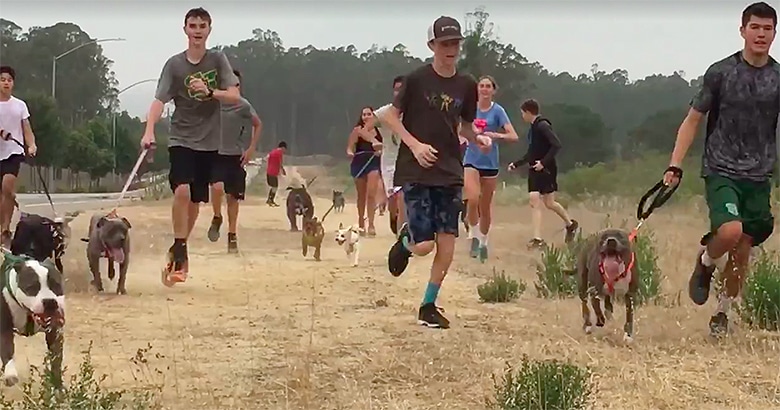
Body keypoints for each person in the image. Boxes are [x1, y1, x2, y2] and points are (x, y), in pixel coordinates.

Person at [665, 2, 779, 337]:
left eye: (767, 28)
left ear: (774, 33)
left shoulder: (777, 77)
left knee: (743, 250)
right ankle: (705, 264)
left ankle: (722, 314)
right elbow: (692, 120)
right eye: (754, 27)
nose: (760, 34)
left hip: (759, 175)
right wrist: (675, 164)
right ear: (742, 30)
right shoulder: (721, 72)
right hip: (721, 167)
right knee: (728, 232)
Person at [379, 16, 492, 329]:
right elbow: (390, 116)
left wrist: (477, 138)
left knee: (447, 245)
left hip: (449, 170)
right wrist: (414, 145)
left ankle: (428, 305)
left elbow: (465, 125)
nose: (451, 49)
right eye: (445, 44)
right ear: (432, 46)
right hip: (416, 170)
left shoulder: (467, 85)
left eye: (455, 43)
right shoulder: (416, 79)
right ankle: (406, 243)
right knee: (424, 246)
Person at [140, 7, 240, 285]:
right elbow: (159, 101)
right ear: (184, 29)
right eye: (192, 25)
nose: (197, 31)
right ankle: (181, 252)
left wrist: (211, 92)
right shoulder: (174, 65)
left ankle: (178, 248)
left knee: (196, 201)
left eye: (202, 26)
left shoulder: (218, 60)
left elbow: (234, 95)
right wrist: (149, 130)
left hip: (209, 143)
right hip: (181, 138)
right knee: (181, 190)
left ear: (209, 30)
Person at [508, 99, 578, 249]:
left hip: (546, 170)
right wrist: (517, 163)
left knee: (549, 203)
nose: (522, 116)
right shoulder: (533, 128)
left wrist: (543, 163)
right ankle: (537, 238)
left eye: (522, 113)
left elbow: (556, 145)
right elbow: (532, 152)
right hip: (534, 169)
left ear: (528, 112)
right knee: (534, 199)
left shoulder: (542, 126)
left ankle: (570, 224)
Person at [462, 75, 518, 262]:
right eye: (481, 86)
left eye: (488, 86)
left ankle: (484, 242)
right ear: (477, 89)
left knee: (485, 207)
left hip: (490, 163)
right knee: (472, 199)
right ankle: (474, 236)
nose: (484, 89)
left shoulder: (498, 111)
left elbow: (513, 135)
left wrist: (495, 135)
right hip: (471, 159)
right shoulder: (470, 108)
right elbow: (459, 128)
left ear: (493, 90)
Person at [207, 69, 262, 253]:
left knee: (233, 198)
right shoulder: (214, 103)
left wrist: (251, 148)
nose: (233, 88)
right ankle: (216, 217)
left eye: (237, 85)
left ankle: (232, 235)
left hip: (235, 155)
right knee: (216, 187)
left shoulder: (243, 105)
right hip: (216, 153)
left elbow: (258, 124)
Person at [0, 65, 37, 248]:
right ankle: (2, 226)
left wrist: (31, 144)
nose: (6, 83)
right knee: (3, 195)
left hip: (13, 151)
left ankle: (6, 228)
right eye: (2, 79)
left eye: (9, 80)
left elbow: (26, 128)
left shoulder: (19, 105)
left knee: (7, 186)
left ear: (13, 83)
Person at [365, 75, 406, 236]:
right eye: (396, 90)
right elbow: (366, 127)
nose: (399, 93)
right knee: (394, 199)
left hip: (409, 160)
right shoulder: (384, 112)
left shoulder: (416, 111)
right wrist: (374, 140)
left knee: (404, 196)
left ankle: (404, 231)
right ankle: (394, 219)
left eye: (402, 90)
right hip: (389, 162)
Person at [346, 106, 382, 237]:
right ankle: (361, 221)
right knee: (361, 195)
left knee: (371, 194)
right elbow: (350, 147)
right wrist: (350, 153)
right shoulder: (357, 130)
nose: (366, 117)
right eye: (364, 114)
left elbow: (385, 146)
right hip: (359, 162)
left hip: (374, 162)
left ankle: (371, 223)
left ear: (373, 115)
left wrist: (380, 151)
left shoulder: (379, 131)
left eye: (369, 114)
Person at [265, 141, 287, 206]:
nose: (284, 151)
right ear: (283, 147)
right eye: (285, 149)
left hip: (269, 171)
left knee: (273, 187)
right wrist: (283, 170)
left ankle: (269, 199)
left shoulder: (272, 152)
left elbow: (267, 159)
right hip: (273, 173)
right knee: (275, 187)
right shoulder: (279, 153)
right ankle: (270, 200)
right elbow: (280, 163)